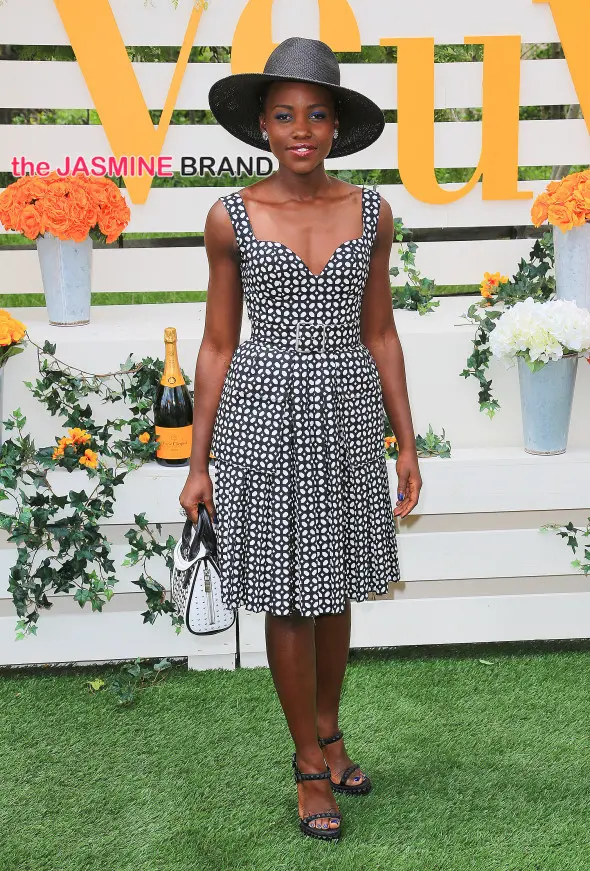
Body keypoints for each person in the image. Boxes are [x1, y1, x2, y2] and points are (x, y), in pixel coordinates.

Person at [179, 36, 422, 841]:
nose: (301, 129)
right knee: (290, 592)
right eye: (284, 114)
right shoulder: (230, 217)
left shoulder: (374, 211)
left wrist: (407, 442)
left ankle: (331, 727)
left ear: (337, 123)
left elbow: (382, 333)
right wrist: (197, 459)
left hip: (348, 409)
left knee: (339, 578)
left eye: (317, 114)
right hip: (264, 412)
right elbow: (216, 346)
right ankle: (308, 765)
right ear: (261, 123)